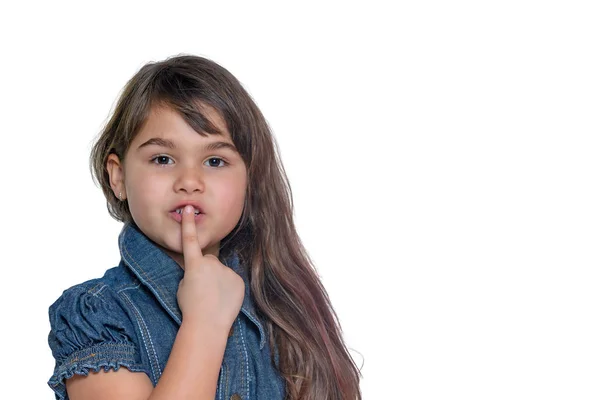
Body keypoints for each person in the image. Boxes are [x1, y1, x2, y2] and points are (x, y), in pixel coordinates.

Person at [47, 54, 362, 400]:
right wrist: (205, 321)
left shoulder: (283, 309)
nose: (190, 181)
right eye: (162, 159)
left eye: (215, 161)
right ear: (118, 176)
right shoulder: (97, 314)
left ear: (249, 180)